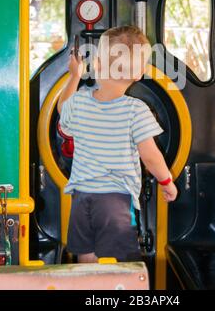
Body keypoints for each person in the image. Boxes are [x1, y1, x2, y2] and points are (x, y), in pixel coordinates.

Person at [58, 25, 177, 263]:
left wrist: (74, 76)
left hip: (82, 199)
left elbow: (62, 107)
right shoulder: (136, 110)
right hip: (115, 200)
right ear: (138, 74)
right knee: (122, 263)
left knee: (87, 256)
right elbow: (150, 155)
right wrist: (166, 181)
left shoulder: (79, 102)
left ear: (98, 65)